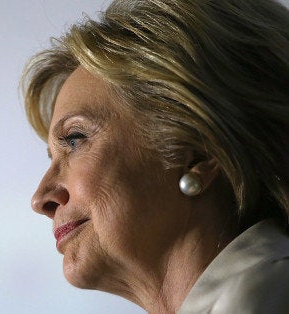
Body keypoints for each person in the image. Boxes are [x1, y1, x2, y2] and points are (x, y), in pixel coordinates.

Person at [21, 0, 289, 312]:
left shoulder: (261, 297)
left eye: (75, 140)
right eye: (52, 157)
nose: (41, 199)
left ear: (198, 152)